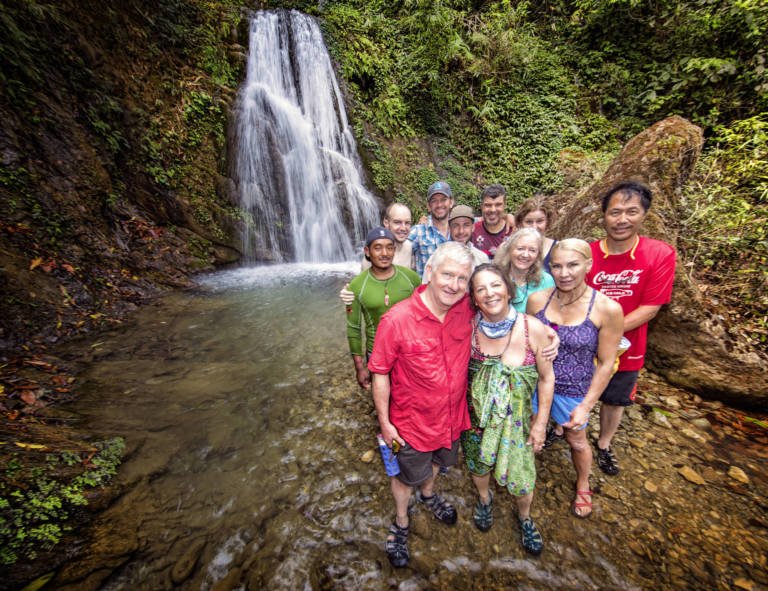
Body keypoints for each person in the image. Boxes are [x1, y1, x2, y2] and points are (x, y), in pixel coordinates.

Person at [368, 242, 475, 568]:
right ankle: (401, 521)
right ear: (429, 272)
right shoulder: (396, 320)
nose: (453, 285)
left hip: (452, 417)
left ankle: (428, 495)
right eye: (447, 274)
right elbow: (380, 373)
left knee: (440, 463)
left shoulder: (467, 307)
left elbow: (507, 306)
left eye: (461, 278)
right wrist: (385, 423)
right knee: (403, 476)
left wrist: (543, 335)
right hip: (411, 423)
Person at [461, 264, 555, 554]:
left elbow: (546, 378)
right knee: (478, 464)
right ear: (474, 298)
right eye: (480, 289)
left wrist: (540, 423)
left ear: (508, 289)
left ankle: (525, 517)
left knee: (523, 474)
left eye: (495, 285)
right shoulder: (468, 329)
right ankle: (485, 500)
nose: (490, 293)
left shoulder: (533, 329)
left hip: (518, 423)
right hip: (477, 420)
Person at [527, 239, 624, 518]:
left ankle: (583, 482)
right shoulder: (537, 300)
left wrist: (586, 405)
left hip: (574, 386)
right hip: (537, 380)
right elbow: (525, 340)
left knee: (577, 440)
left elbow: (606, 364)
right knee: (531, 430)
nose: (564, 273)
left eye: (572, 265)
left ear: (588, 265)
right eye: (556, 266)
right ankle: (524, 475)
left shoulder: (607, 309)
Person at [586, 180, 676, 476]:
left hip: (628, 345)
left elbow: (651, 307)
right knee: (572, 390)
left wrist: (607, 332)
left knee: (615, 398)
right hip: (583, 342)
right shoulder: (588, 254)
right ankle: (561, 431)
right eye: (615, 212)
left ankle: (604, 444)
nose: (622, 219)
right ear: (604, 215)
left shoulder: (659, 254)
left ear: (643, 215)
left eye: (631, 212)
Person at [346, 227, 421, 390]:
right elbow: (354, 329)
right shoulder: (357, 286)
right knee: (382, 400)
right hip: (377, 353)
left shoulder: (411, 278)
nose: (384, 253)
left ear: (394, 250)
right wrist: (359, 367)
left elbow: (424, 315)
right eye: (378, 248)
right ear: (367, 251)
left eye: (389, 247)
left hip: (408, 351)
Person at [422, 204, 489, 282]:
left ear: (473, 227)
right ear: (449, 228)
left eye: (466, 225)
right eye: (456, 226)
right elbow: (426, 288)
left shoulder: (481, 258)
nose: (461, 231)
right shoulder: (437, 257)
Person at [494, 228, 555, 312]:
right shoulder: (496, 277)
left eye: (532, 250)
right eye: (520, 248)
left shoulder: (546, 280)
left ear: (538, 255)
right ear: (509, 249)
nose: (525, 255)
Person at [409, 181, 453, 276]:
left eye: (443, 199)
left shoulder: (459, 231)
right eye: (434, 201)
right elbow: (397, 247)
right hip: (426, 288)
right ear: (428, 206)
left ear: (451, 202)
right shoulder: (418, 232)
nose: (439, 204)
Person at [362, 203, 414, 270]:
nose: (403, 228)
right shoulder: (373, 256)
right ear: (386, 223)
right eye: (397, 222)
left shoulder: (410, 247)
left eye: (407, 223)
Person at [471, 184, 514, 259]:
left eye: (498, 205)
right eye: (488, 205)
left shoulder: (514, 231)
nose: (493, 210)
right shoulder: (472, 230)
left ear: (505, 205)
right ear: (481, 206)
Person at [516, 195, 557, 273]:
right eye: (529, 222)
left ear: (547, 222)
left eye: (540, 221)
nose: (534, 227)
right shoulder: (508, 248)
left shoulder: (557, 248)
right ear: (520, 223)